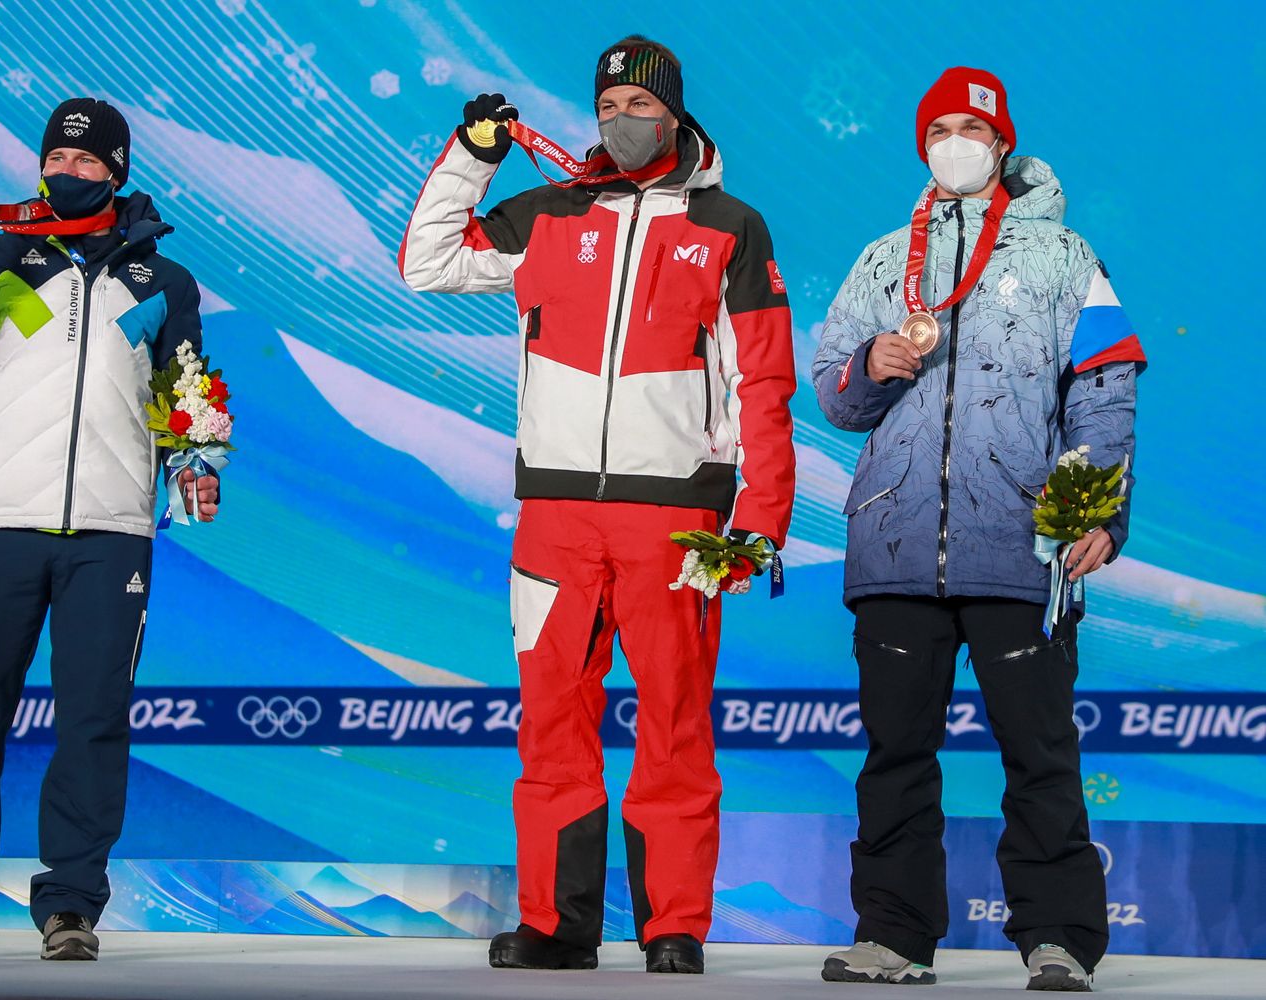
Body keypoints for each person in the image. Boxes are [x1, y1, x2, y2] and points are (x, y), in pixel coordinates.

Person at [400, 36, 795, 974]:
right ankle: (555, 923)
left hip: (677, 522)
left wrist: (759, 521)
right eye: (609, 105)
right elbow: (428, 261)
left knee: (674, 722)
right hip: (556, 516)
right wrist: (473, 157)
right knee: (552, 719)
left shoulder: (730, 227)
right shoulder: (547, 214)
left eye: (640, 105)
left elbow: (763, 382)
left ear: (675, 114)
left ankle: (674, 925)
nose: (623, 120)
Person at [811, 67, 1144, 991]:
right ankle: (893, 935)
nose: (955, 143)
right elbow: (833, 391)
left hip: (1022, 545)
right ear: (923, 145)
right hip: (896, 543)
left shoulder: (1068, 257)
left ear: (1002, 144)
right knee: (894, 756)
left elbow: (1105, 387)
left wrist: (1097, 514)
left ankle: (1060, 939)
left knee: (1041, 753)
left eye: (973, 129)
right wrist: (870, 364)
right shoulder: (885, 259)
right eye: (940, 129)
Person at [0, 98, 219, 962]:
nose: (67, 173)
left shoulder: (163, 282)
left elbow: (183, 394)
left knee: (94, 722)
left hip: (111, 530)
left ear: (117, 171)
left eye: (85, 162)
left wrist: (196, 465)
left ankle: (70, 906)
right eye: (55, 160)